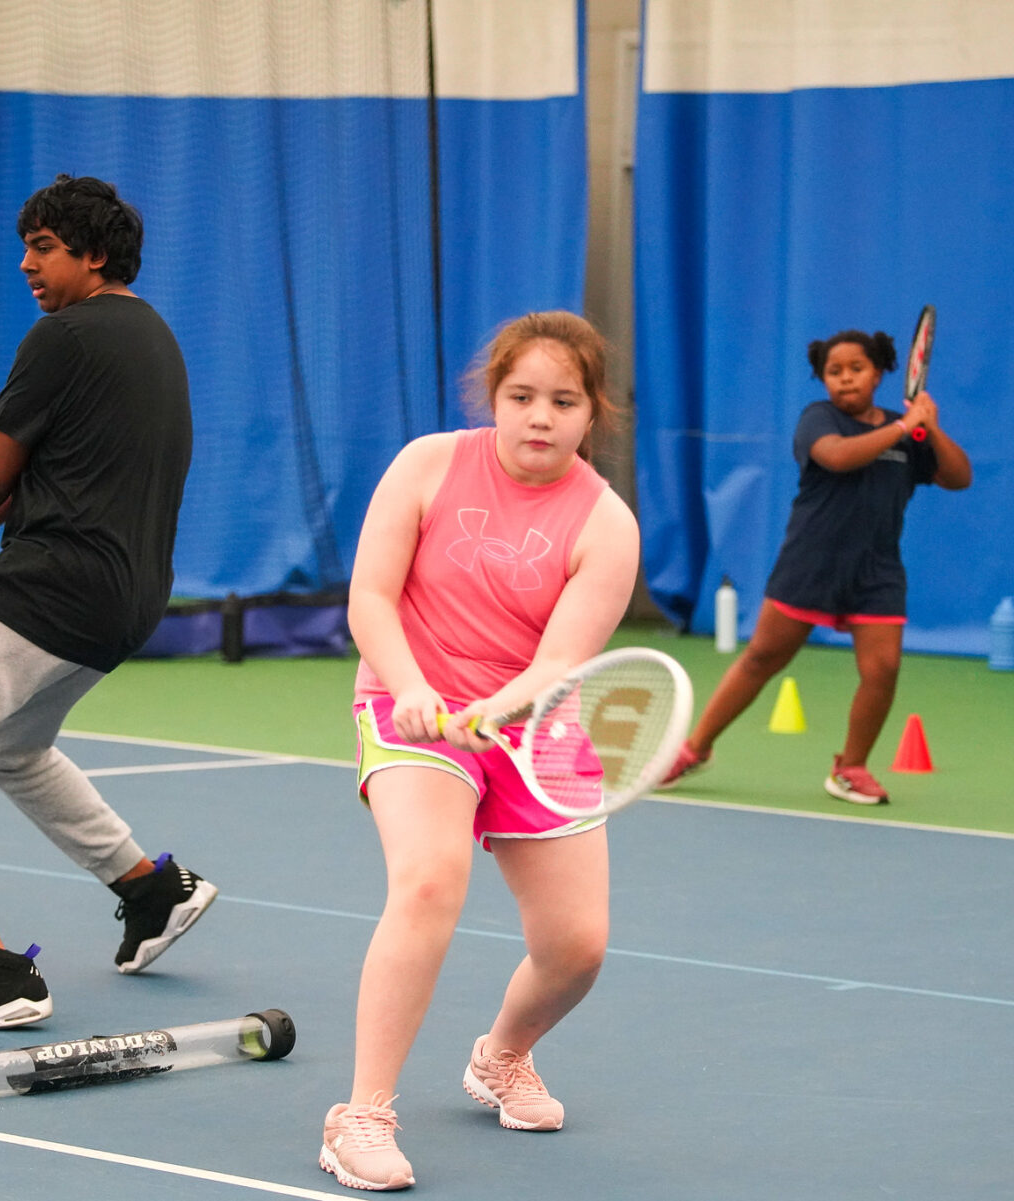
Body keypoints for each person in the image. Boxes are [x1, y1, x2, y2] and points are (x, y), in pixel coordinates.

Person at [0, 174, 214, 1031]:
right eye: (26, 246)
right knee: (13, 747)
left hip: (49, 585)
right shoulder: (154, 337)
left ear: (94, 254)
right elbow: (9, 488)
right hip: (125, 602)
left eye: (45, 246)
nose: (26, 263)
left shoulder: (63, 337)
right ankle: (150, 888)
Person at [320, 312, 640, 1191]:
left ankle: (502, 1054)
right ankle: (361, 1115)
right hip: (408, 701)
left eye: (563, 400)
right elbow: (372, 599)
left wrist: (494, 709)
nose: (541, 416)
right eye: (522, 396)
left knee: (578, 946)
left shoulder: (606, 526)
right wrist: (417, 686)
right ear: (493, 399)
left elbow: (558, 662)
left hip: (537, 724)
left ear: (592, 411)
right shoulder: (427, 465)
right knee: (427, 881)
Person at [665, 328, 972, 804]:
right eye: (834, 372)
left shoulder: (908, 431)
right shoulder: (818, 419)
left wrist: (929, 428)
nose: (845, 380)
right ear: (823, 380)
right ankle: (694, 749)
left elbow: (959, 477)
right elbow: (838, 457)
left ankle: (850, 768)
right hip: (810, 564)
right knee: (762, 659)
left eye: (856, 369)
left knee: (883, 669)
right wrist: (900, 427)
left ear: (880, 372)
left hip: (877, 572)